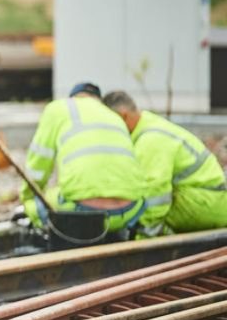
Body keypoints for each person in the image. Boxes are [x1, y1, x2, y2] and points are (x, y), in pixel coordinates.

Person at [22, 82, 148, 236]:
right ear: (98, 101)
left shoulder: (58, 108)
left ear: (73, 98)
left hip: (83, 214)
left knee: (37, 204)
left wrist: (28, 199)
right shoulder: (115, 116)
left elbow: (38, 164)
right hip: (129, 211)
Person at [103, 90, 227, 234]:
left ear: (123, 116)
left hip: (205, 204)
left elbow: (155, 195)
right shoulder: (149, 128)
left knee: (141, 213)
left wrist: (142, 237)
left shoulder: (152, 140)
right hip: (209, 200)